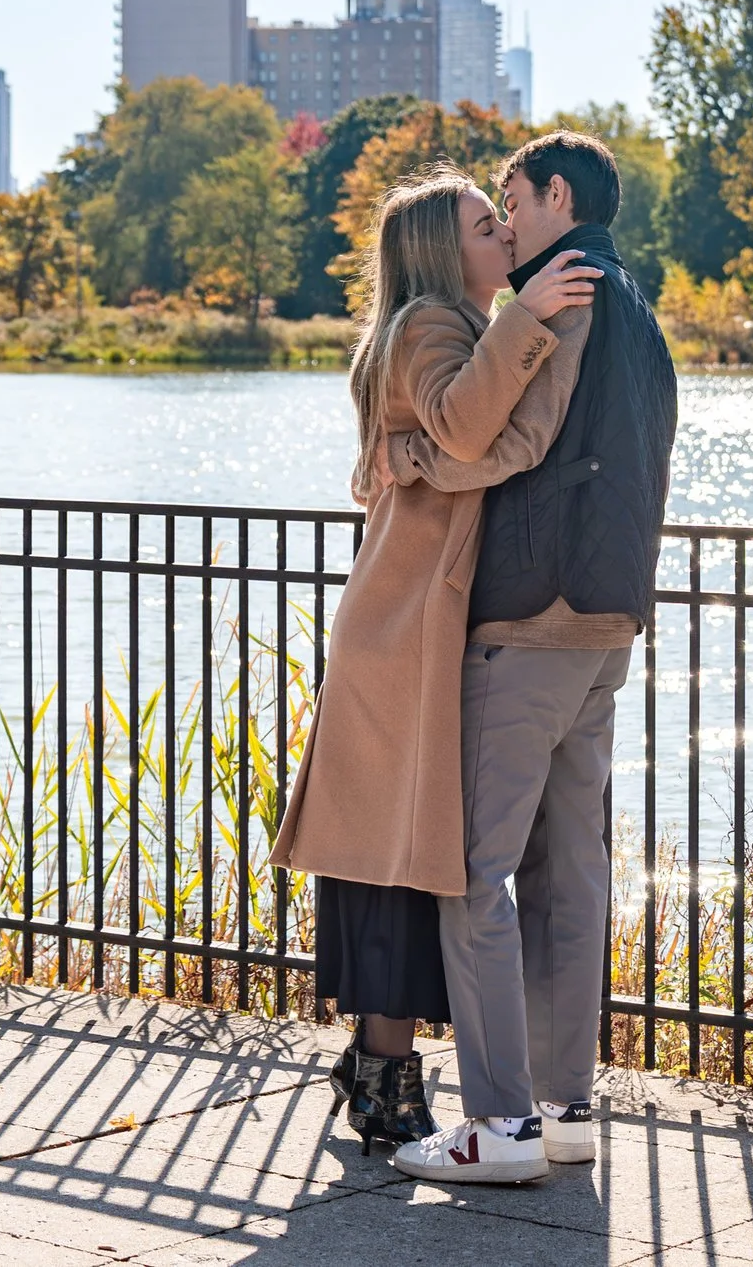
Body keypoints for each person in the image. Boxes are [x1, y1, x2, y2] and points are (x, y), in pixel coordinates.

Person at [271, 163, 600, 1156]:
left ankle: (382, 1069)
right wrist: (526, 317)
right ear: (436, 247)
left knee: (418, 857)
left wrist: (418, 458)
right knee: (394, 862)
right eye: (480, 222)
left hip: (419, 629)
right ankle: (380, 1075)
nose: (504, 230)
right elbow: (470, 435)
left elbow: (463, 449)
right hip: (398, 636)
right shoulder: (428, 323)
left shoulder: (449, 327)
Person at [380, 130, 679, 1184]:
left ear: (556, 194)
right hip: (607, 622)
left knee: (476, 874)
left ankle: (498, 1123)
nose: (506, 219)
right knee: (569, 873)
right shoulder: (640, 309)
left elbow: (505, 439)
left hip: (530, 618)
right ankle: (566, 1110)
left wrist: (408, 456)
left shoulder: (567, 296)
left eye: (513, 195)